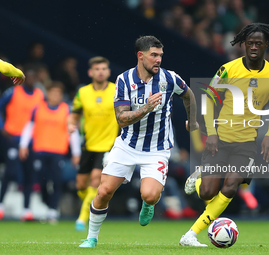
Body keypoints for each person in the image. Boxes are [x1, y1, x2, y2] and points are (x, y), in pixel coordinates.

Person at [79, 35, 199, 248]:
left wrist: (192, 119)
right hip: (127, 146)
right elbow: (122, 119)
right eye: (154, 55)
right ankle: (91, 238)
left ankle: (148, 203)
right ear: (140, 55)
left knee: (150, 195)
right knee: (104, 191)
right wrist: (146, 108)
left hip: (157, 149)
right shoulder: (124, 80)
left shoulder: (169, 79)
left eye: (160, 55)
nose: (158, 60)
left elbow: (189, 95)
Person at [180, 23, 269, 246]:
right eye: (250, 43)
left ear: (266, 45)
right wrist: (213, 133)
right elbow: (208, 99)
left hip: (247, 144)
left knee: (231, 186)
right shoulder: (227, 69)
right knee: (207, 193)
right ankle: (200, 177)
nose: (254, 47)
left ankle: (191, 234)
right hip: (221, 139)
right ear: (244, 45)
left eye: (258, 43)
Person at [67, 56, 120, 231]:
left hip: (108, 146)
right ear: (90, 72)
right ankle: (93, 204)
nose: (100, 72)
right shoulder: (83, 92)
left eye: (104, 68)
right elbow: (75, 112)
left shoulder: (116, 90)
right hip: (88, 144)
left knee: (96, 180)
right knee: (81, 185)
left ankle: (82, 219)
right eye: (97, 69)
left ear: (108, 72)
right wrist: (71, 123)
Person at [18, 82, 81, 223]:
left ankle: (53, 210)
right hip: (40, 150)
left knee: (56, 182)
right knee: (40, 182)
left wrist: (76, 152)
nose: (55, 96)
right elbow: (29, 127)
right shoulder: (38, 108)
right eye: (53, 93)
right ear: (48, 94)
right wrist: (23, 145)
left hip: (58, 151)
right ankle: (44, 205)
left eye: (58, 93)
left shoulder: (66, 110)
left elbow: (73, 132)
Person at [0, 68, 44, 221]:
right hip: (12, 137)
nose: (30, 80)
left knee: (29, 174)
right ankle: (1, 206)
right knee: (10, 172)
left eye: (33, 77)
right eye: (28, 77)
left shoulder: (40, 95)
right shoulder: (14, 92)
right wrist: (2, 127)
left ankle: (26, 210)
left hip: (31, 140)